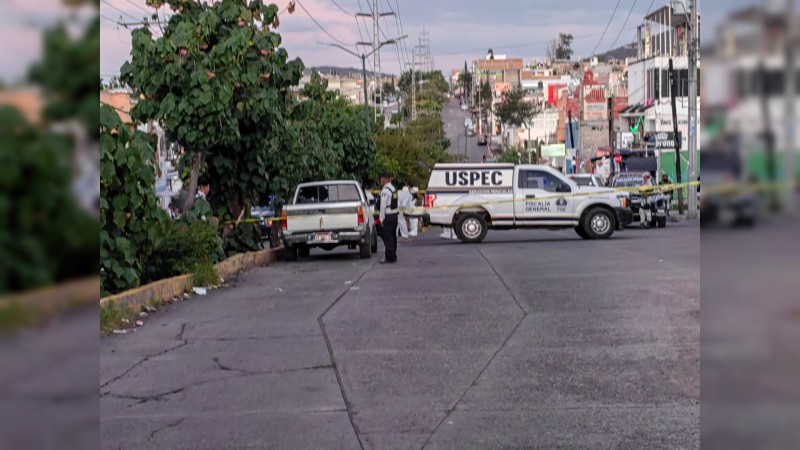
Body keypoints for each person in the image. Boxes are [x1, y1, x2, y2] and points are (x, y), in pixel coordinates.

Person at [376, 173, 398, 263]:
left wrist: (381, 218)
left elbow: (383, 205)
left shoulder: (385, 191)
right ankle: (393, 255)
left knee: (387, 237)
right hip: (394, 215)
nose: (380, 181)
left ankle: (389, 257)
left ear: (385, 179)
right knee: (393, 237)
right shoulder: (393, 189)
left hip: (388, 216)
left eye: (381, 179)